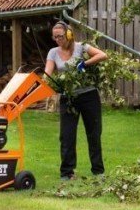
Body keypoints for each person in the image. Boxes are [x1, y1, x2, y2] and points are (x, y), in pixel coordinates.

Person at [44, 21, 107, 181]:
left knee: (94, 133)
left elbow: (102, 55)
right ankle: (67, 173)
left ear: (69, 34)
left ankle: (98, 171)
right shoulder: (53, 52)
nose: (57, 40)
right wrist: (46, 83)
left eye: (60, 36)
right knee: (66, 135)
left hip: (89, 96)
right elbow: (47, 74)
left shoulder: (81, 47)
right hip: (68, 97)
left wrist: (84, 63)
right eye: (55, 37)